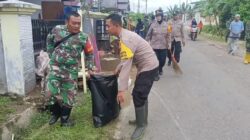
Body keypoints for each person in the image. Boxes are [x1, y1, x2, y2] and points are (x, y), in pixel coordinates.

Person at [105, 14, 159, 140]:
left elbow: (127, 66)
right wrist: (118, 67)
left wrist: (121, 90)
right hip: (147, 65)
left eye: (108, 26)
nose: (106, 29)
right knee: (141, 94)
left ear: (116, 25)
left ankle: (141, 125)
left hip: (149, 66)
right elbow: (125, 60)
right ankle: (142, 120)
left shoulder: (126, 39)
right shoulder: (123, 35)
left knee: (138, 94)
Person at [46, 12, 95, 127]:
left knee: (70, 96)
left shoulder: (83, 37)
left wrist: (90, 67)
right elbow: (49, 39)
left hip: (71, 71)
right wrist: (50, 53)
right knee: (49, 93)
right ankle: (56, 113)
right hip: (55, 68)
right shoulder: (57, 30)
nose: (77, 26)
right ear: (67, 22)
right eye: (74, 23)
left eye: (79, 23)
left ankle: (65, 119)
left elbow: (90, 53)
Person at [145, 9, 171, 81]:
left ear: (162, 17)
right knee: (155, 61)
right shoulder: (153, 24)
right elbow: (148, 34)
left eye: (159, 16)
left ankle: (160, 68)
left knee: (162, 61)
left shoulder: (167, 25)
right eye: (157, 16)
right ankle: (156, 74)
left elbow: (169, 35)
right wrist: (147, 42)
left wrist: (169, 43)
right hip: (154, 46)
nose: (158, 17)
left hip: (163, 46)